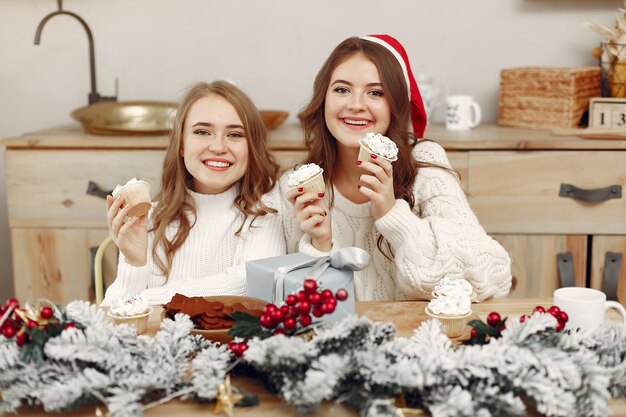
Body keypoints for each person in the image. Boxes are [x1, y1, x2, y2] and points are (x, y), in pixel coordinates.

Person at [280, 35, 511, 301]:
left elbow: (493, 276)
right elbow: (291, 308)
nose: (355, 105)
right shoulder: (296, 189)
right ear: (323, 101)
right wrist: (320, 246)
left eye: (375, 93)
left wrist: (393, 215)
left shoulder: (425, 165)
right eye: (342, 89)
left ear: (395, 107)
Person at [102, 81, 285, 305]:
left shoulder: (266, 205)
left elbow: (252, 282)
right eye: (202, 132)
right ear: (181, 144)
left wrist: (149, 299)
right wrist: (134, 263)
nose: (218, 147)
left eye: (235, 134)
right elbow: (114, 313)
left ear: (251, 147)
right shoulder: (151, 217)